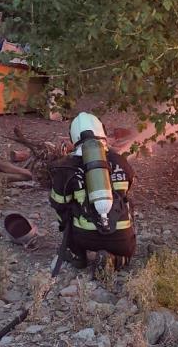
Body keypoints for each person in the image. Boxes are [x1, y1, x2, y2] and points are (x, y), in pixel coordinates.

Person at [49, 112, 136, 270]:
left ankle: (78, 255)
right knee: (126, 201)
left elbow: (58, 204)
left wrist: (66, 228)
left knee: (67, 208)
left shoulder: (65, 166)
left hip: (84, 236)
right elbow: (128, 188)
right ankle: (118, 259)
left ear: (73, 137)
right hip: (121, 237)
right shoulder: (120, 161)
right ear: (102, 132)